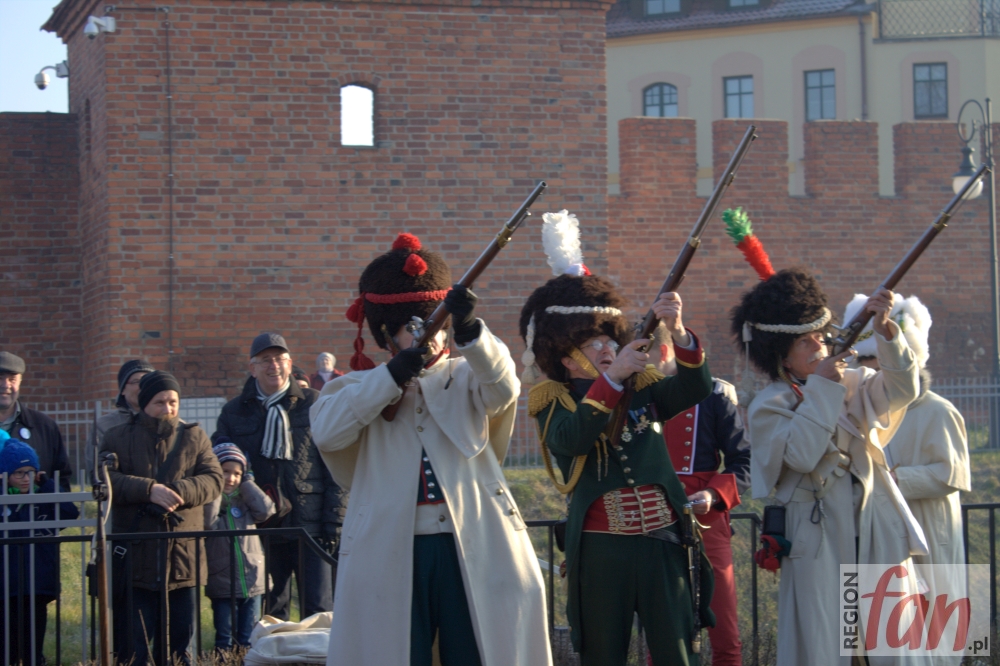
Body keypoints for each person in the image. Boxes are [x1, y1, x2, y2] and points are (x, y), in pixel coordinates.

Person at [310, 232, 551, 666]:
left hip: (475, 535)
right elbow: (328, 433)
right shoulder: (356, 388)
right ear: (387, 333)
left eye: (434, 323)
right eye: (415, 326)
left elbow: (504, 389)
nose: (431, 337)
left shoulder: (466, 373)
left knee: (477, 652)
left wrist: (472, 331)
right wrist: (390, 378)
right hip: (391, 546)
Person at [520, 210, 714, 666]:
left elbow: (694, 388)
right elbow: (572, 440)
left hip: (662, 539)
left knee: (676, 650)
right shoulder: (553, 399)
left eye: (610, 340)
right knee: (603, 653)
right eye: (594, 344)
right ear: (568, 359)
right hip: (603, 549)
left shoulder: (640, 388)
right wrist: (613, 381)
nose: (608, 349)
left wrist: (679, 331)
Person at [731, 269, 921, 666]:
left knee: (885, 640)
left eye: (819, 335)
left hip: (869, 523)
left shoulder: (851, 381)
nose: (819, 345)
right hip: (816, 532)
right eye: (806, 341)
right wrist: (822, 387)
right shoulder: (770, 403)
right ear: (782, 354)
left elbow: (906, 390)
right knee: (825, 643)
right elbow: (801, 456)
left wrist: (885, 331)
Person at [214, 333, 345, 620]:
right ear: (253, 368)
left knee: (320, 612)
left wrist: (334, 521)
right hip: (263, 526)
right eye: (265, 361)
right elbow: (223, 465)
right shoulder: (234, 411)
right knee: (272, 613)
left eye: (280, 359)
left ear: (290, 363)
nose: (274, 366)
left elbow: (337, 463)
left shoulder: (315, 402)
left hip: (312, 527)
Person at [101, 371, 223, 666]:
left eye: (173, 402)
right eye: (160, 402)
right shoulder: (117, 437)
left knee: (181, 649)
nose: (168, 409)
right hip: (135, 559)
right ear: (144, 404)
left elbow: (214, 479)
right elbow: (105, 479)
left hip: (183, 560)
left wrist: (176, 491)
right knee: (134, 648)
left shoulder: (195, 436)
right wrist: (148, 490)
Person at [651, 324, 750, 666]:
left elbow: (743, 462)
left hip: (707, 520)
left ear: (663, 353)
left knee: (724, 632)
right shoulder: (634, 398)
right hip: (653, 519)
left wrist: (712, 494)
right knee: (663, 636)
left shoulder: (714, 395)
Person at [0, 439, 80, 666]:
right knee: (7, 643)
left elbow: (69, 512)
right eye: (19, 473)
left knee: (33, 641)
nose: (26, 479)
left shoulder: (44, 500)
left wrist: (46, 483)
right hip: (7, 585)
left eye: (30, 472)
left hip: (37, 584)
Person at [204, 440, 276, 651]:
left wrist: (247, 483)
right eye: (225, 472)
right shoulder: (212, 500)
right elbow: (207, 523)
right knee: (224, 638)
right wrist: (215, 487)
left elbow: (266, 511)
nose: (231, 478)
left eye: (237, 473)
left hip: (253, 579)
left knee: (249, 638)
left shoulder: (245, 498)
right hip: (223, 582)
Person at [0, 352, 72, 490]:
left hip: (35, 511)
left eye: (12, 379)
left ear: (20, 381)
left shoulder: (44, 426)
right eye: (0, 378)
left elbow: (62, 477)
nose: (5, 385)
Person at [86, 359, 154, 485]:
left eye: (147, 381)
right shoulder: (104, 426)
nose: (142, 387)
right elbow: (97, 474)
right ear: (123, 389)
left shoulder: (174, 424)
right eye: (136, 382)